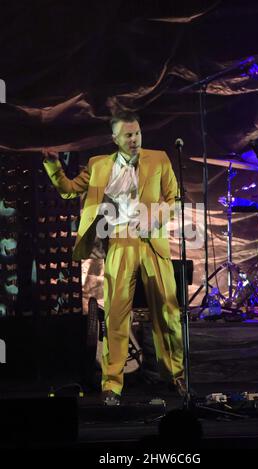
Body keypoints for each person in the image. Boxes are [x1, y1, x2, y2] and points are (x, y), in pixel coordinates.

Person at [43, 111, 185, 405]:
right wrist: (53, 165)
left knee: (168, 312)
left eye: (137, 133)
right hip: (120, 242)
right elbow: (68, 190)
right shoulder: (99, 165)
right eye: (128, 135)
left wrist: (156, 216)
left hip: (153, 243)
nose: (134, 139)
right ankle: (112, 385)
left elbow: (175, 200)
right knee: (116, 316)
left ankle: (176, 377)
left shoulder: (158, 159)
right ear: (115, 138)